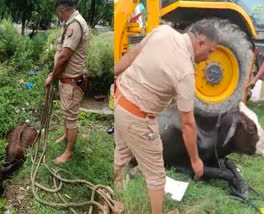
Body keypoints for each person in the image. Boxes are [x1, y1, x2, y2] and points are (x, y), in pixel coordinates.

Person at [114, 20, 219, 214]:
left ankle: (116, 197)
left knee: (121, 152)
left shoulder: (162, 31)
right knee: (156, 175)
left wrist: (114, 75)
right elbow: (188, 123)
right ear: (201, 43)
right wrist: (195, 160)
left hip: (121, 100)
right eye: (211, 51)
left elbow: (132, 55)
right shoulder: (186, 72)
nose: (209, 57)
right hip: (138, 117)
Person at [45, 0, 89, 164]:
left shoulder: (74, 25)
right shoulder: (73, 22)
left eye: (58, 14)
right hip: (67, 79)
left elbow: (64, 57)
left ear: (62, 10)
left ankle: (69, 152)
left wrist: (52, 76)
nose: (59, 17)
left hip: (71, 82)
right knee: (67, 112)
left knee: (71, 117)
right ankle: (65, 136)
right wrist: (55, 72)